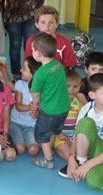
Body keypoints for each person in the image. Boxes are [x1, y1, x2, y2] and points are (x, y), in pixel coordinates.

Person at [62, 73, 103, 191]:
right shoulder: (86, 109)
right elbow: (77, 136)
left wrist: (89, 165)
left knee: (94, 183)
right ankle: (81, 161)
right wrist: (71, 158)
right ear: (92, 95)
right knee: (85, 122)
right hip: (93, 149)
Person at [30, 32, 70, 169]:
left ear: (39, 53)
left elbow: (35, 96)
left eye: (33, 49)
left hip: (50, 111)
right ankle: (54, 141)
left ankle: (48, 160)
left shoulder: (40, 74)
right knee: (54, 128)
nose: (32, 52)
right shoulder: (58, 65)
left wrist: (34, 108)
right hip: (64, 108)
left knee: (41, 134)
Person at [10, 56, 41, 157]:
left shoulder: (42, 89)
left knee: (33, 151)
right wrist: (30, 108)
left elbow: (41, 111)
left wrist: (36, 113)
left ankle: (33, 143)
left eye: (24, 68)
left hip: (32, 126)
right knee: (20, 149)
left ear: (33, 73)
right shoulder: (20, 84)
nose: (20, 70)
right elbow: (18, 106)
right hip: (16, 123)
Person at [54, 69, 87, 162]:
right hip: (58, 136)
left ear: (80, 87)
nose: (71, 90)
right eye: (67, 86)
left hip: (73, 137)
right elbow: (51, 122)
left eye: (75, 86)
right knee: (70, 156)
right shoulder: (57, 103)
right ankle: (57, 148)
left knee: (82, 155)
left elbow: (83, 122)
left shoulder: (78, 104)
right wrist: (60, 134)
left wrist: (76, 137)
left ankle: (58, 150)